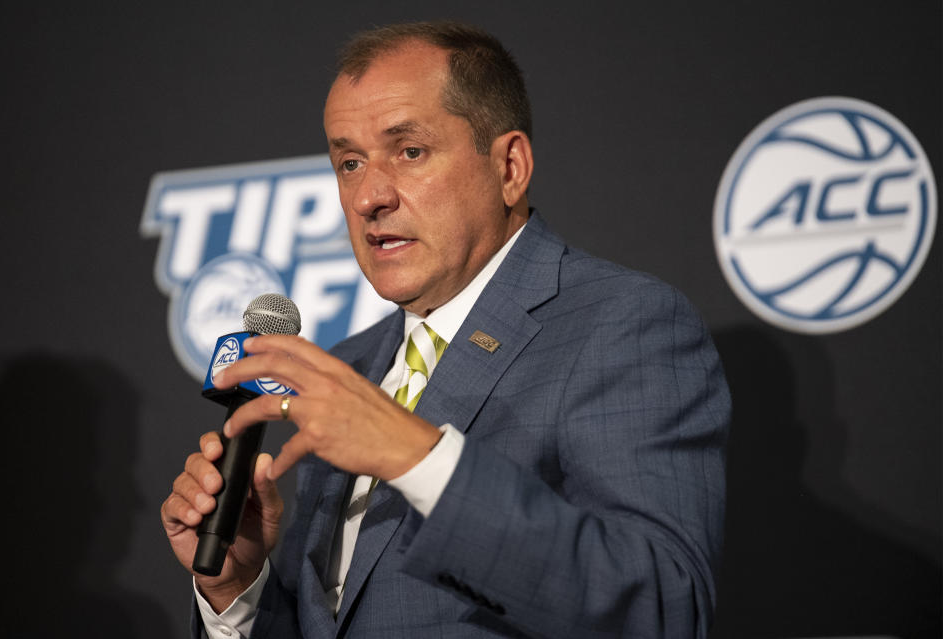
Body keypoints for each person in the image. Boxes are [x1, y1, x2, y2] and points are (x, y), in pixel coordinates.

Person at [161, 21, 730, 639]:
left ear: (509, 167)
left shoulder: (624, 324)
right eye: (349, 162)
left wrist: (415, 455)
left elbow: (664, 609)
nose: (368, 197)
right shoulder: (351, 365)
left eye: (409, 151)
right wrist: (240, 593)